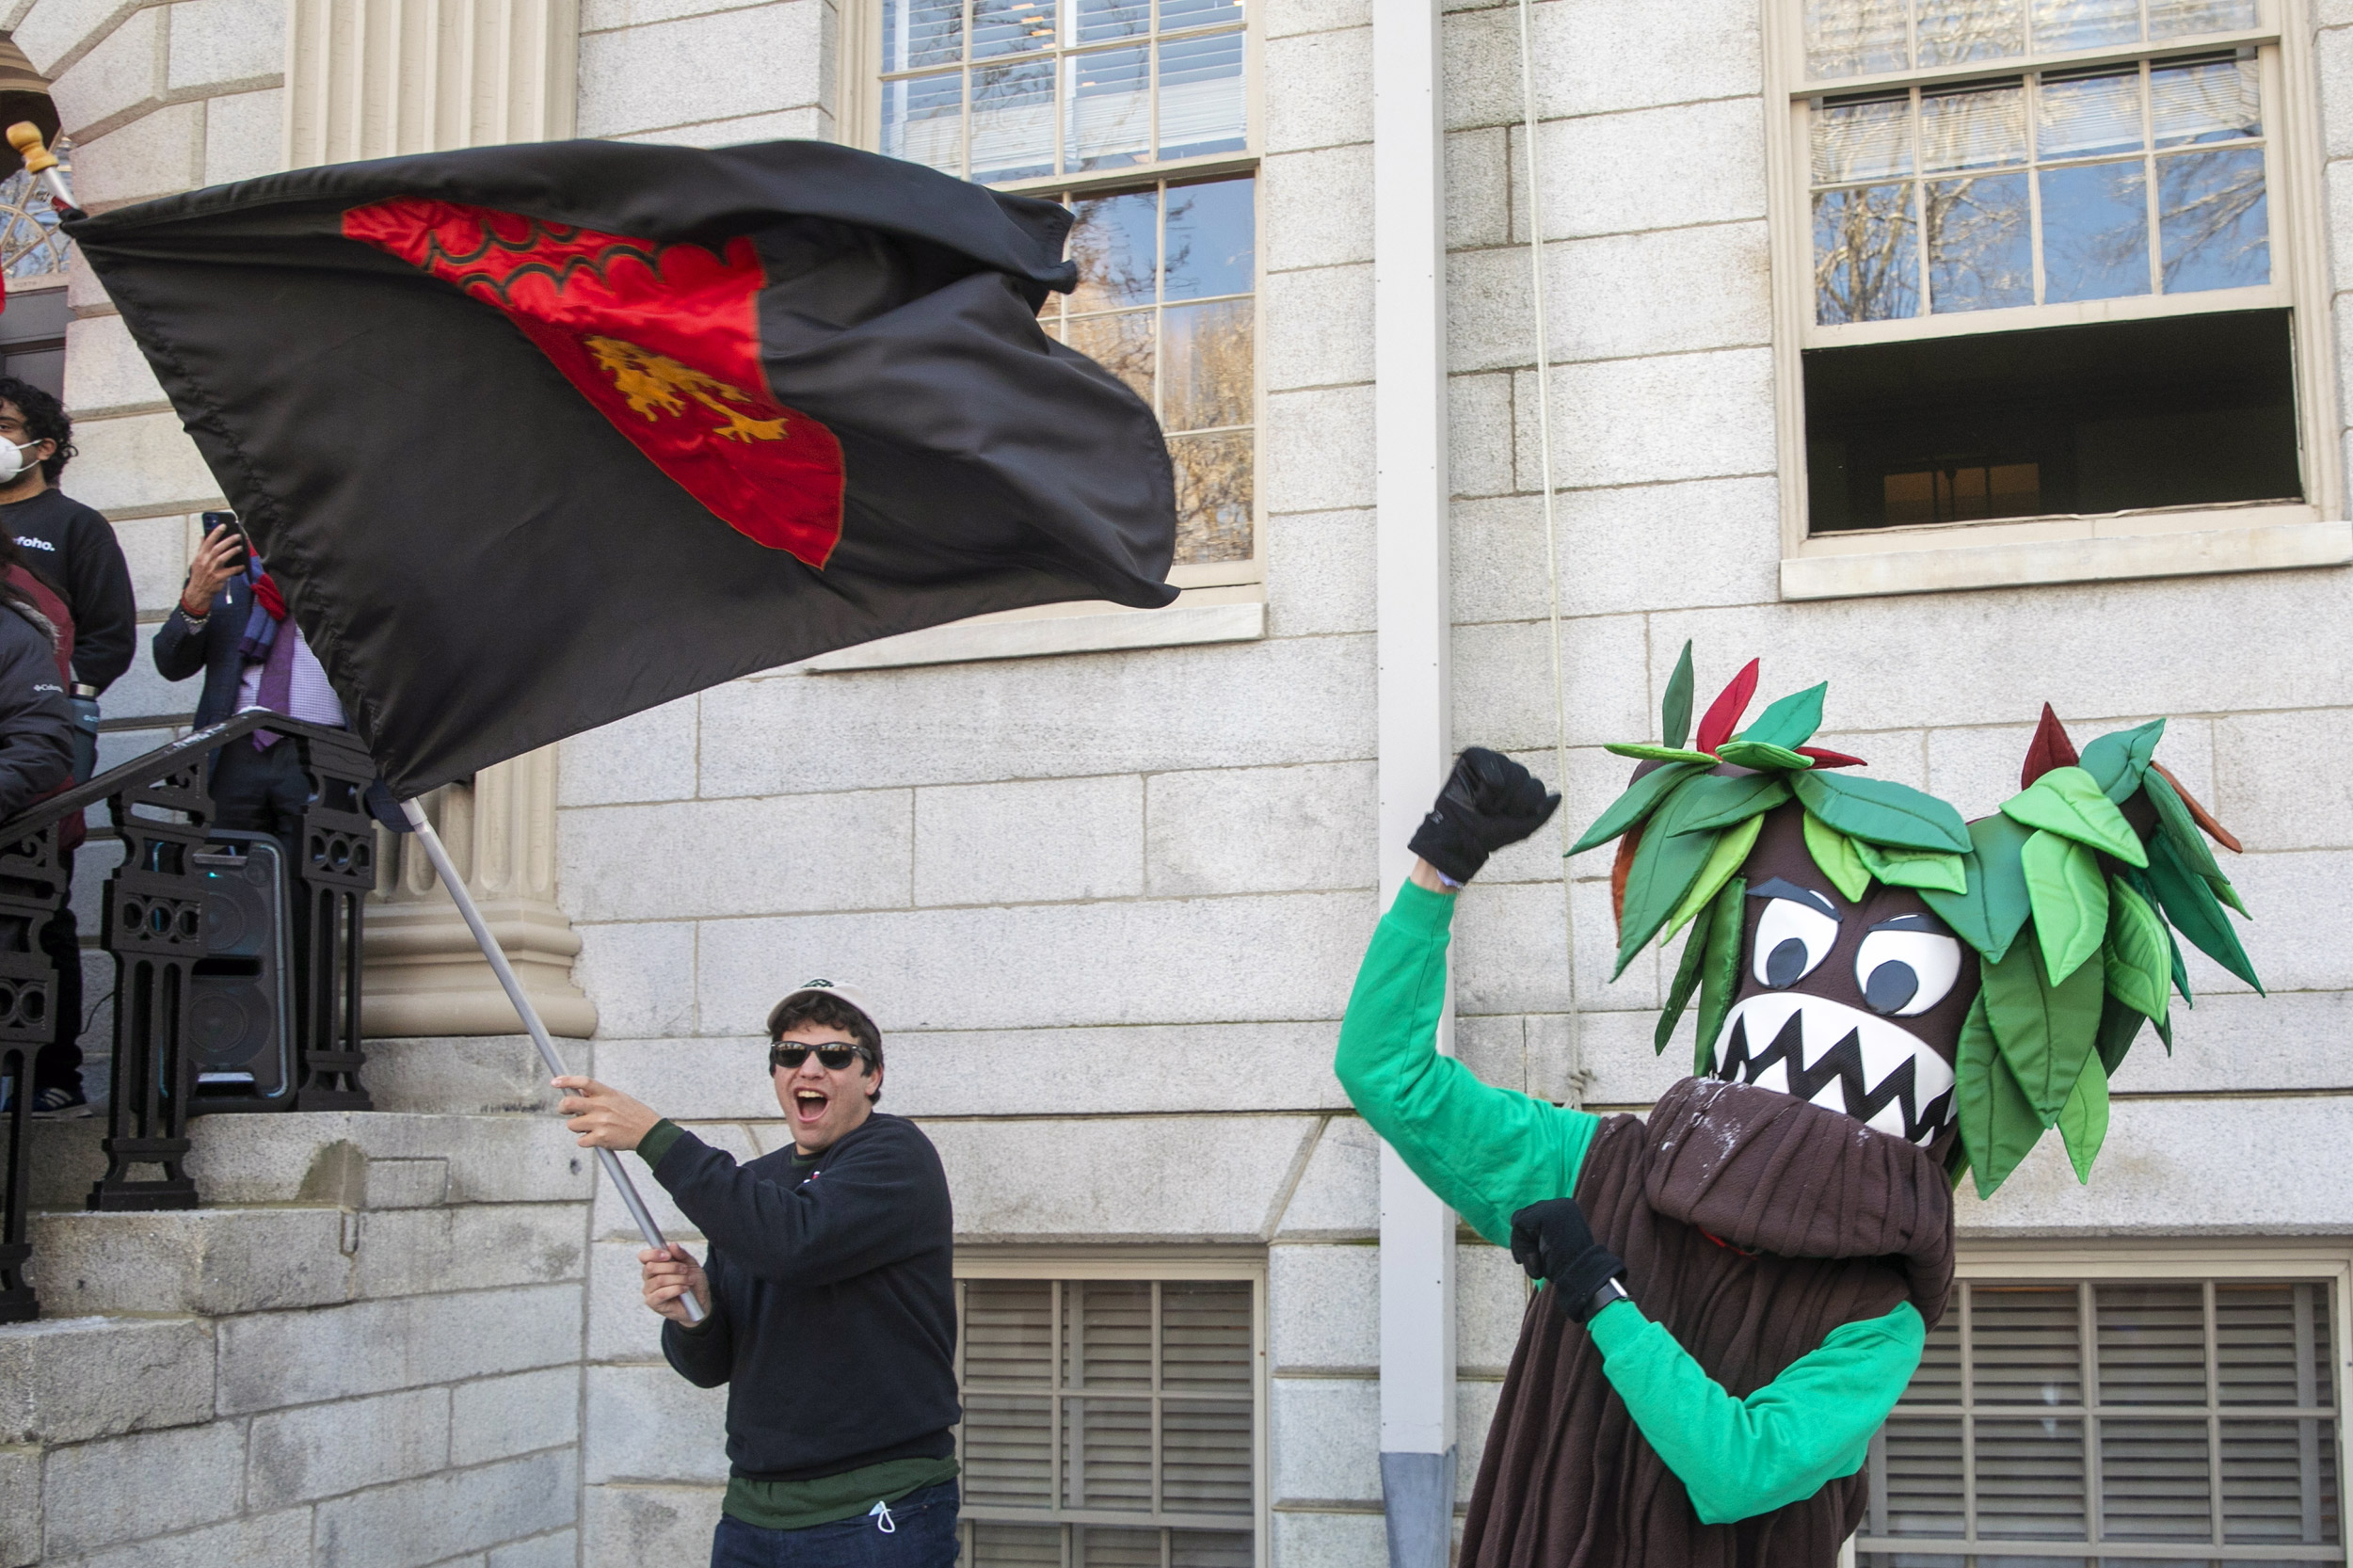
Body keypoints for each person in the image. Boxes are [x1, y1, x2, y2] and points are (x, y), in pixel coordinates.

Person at [1340, 747, 1947, 1567]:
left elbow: (1741, 1468)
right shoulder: (1602, 1167)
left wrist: (1601, 1295)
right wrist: (1441, 864)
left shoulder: (1878, 1321)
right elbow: (1389, 1074)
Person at [555, 980, 961, 1567]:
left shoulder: (896, 1156)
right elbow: (711, 1366)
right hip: (752, 1515)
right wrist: (696, 1312)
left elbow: (797, 1244)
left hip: (876, 1513)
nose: (810, 1068)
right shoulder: (757, 1189)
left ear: (872, 1077)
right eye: (791, 1055)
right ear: (776, 1074)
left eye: (835, 1054)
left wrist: (653, 1136)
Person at [2, 376, 135, 1118]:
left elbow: (112, 635)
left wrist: (67, 690)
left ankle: (55, 1070)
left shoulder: (75, 524)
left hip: (48, 729)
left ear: (43, 444)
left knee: (40, 893)